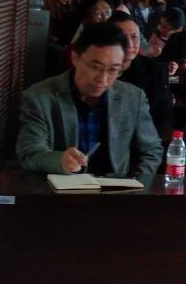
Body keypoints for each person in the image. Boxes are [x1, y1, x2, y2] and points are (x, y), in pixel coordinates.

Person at [16, 22, 163, 180]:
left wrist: (135, 184)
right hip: (60, 190)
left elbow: (151, 151)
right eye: (95, 67)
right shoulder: (39, 98)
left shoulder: (132, 97)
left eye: (113, 70)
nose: (103, 79)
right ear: (75, 58)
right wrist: (60, 161)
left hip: (116, 190)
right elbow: (30, 154)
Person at [110, 13, 173, 139]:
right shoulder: (98, 71)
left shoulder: (155, 70)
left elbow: (164, 118)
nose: (129, 44)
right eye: (121, 37)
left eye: (134, 37)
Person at [63, 0, 113, 65]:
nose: (105, 18)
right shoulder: (75, 48)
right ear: (85, 19)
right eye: (98, 14)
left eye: (108, 12)